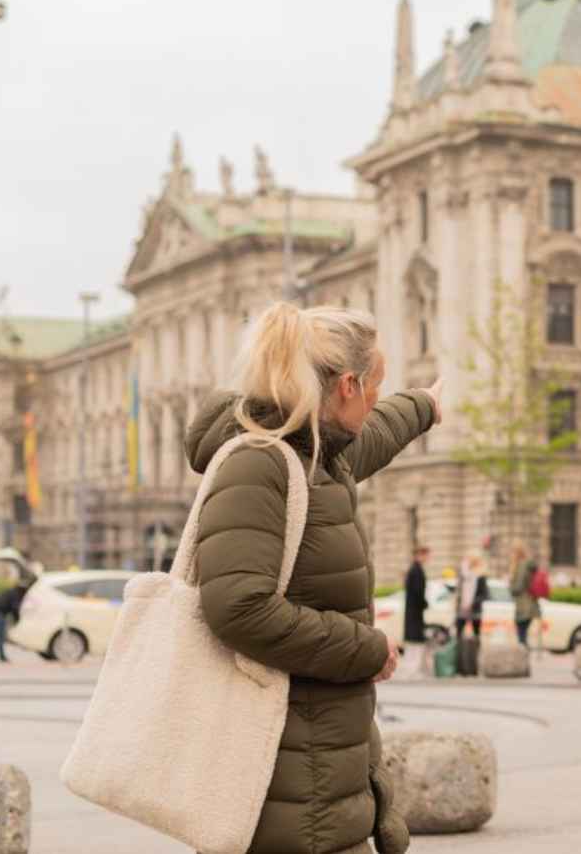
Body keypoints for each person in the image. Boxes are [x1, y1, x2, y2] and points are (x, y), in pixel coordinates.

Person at [185, 303, 440, 854]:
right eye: (376, 386)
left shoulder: (318, 457)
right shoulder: (260, 463)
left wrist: (425, 406)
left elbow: (372, 438)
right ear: (347, 385)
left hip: (318, 772)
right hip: (287, 786)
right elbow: (239, 607)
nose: (377, 401)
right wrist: (367, 650)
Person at [0, 580, 29, 662]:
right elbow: (15, 609)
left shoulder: (12, 592)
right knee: (0, 635)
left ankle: (3, 653)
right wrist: (18, 620)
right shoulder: (15, 595)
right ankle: (2, 656)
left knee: (1, 635)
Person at [508, 541, 541, 647]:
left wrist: (510, 586)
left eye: (512, 552)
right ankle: (524, 658)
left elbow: (518, 586)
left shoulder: (522, 565)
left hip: (524, 605)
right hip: (530, 603)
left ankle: (523, 659)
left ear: (516, 553)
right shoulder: (528, 564)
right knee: (523, 635)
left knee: (522, 637)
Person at [404, 546, 431, 676]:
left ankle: (412, 667)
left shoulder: (414, 570)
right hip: (415, 610)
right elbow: (418, 592)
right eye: (425, 555)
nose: (427, 558)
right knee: (416, 639)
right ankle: (413, 668)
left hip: (413, 610)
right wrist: (425, 604)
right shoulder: (417, 571)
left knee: (412, 639)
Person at [454, 554, 488, 641]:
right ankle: (459, 652)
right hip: (462, 609)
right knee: (458, 634)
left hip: (475, 610)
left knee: (476, 634)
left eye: (468, 560)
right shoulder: (463, 575)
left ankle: (473, 653)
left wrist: (472, 603)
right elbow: (459, 591)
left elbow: (484, 594)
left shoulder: (480, 576)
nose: (466, 562)